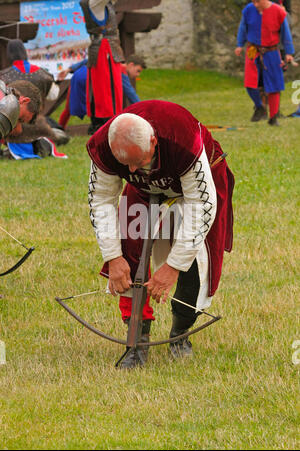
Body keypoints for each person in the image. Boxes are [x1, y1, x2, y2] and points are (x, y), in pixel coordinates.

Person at [87, 100, 235, 369]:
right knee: (129, 250)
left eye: (138, 161)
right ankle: (138, 340)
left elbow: (201, 205)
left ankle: (180, 335)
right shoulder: (106, 145)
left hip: (194, 186)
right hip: (143, 189)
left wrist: (173, 266)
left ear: (154, 142)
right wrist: (113, 257)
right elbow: (101, 200)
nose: (131, 171)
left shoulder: (182, 138)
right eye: (126, 164)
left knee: (195, 259)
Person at [235, 0, 295, 126]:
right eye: (254, 1)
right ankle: (260, 107)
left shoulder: (278, 11)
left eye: (258, 1)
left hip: (271, 52)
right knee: (250, 83)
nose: (255, 4)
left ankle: (273, 118)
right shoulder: (249, 9)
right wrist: (240, 44)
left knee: (275, 86)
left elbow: (286, 33)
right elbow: (243, 27)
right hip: (253, 50)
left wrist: (289, 53)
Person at [58, 54, 147, 129]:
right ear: (131, 65)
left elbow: (88, 60)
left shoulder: (111, 61)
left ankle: (60, 129)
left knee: (69, 107)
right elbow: (131, 94)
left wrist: (69, 69)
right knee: (100, 109)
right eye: (138, 71)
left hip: (78, 75)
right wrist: (144, 110)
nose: (137, 75)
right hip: (87, 80)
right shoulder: (120, 72)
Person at [79, 0, 125, 134]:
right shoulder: (95, 3)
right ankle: (106, 121)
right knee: (106, 88)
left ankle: (104, 121)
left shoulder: (104, 4)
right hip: (104, 49)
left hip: (105, 48)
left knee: (105, 87)